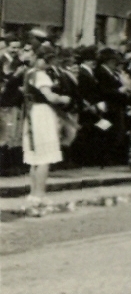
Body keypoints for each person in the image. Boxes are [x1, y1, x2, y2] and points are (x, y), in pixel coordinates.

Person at [22, 42, 70, 200]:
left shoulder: (29, 73)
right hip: (42, 114)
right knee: (44, 157)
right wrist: (63, 98)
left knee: (34, 158)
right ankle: (40, 194)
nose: (48, 64)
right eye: (47, 60)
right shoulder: (41, 75)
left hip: (32, 112)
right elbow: (50, 97)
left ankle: (32, 193)